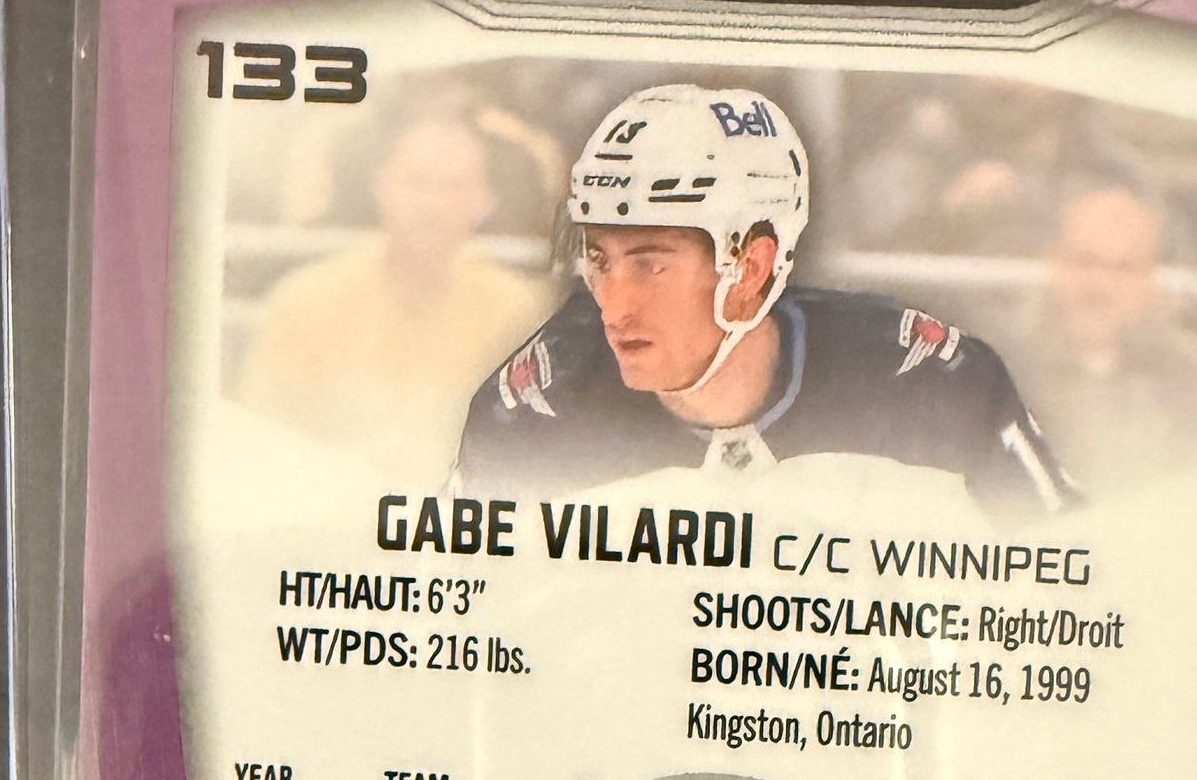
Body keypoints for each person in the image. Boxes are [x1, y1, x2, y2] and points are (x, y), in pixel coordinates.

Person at [455, 84, 1074, 514]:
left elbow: (1069, 593)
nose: (613, 309)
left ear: (752, 267)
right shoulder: (535, 405)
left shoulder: (935, 385)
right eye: (599, 260)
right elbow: (450, 622)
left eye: (650, 264)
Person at [238, 106, 553, 482]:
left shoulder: (517, 313)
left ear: (484, 201)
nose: (432, 205)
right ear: (381, 186)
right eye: (417, 183)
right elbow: (261, 444)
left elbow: (540, 455)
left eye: (452, 187)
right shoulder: (304, 302)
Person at [1023, 180, 1197, 500]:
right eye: (1085, 262)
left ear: (1149, 281)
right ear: (1056, 263)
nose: (1099, 285)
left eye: (1122, 269)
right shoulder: (1006, 368)